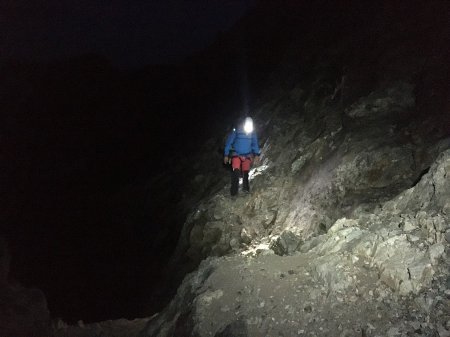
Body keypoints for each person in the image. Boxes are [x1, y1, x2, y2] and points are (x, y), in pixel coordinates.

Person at [224, 117, 261, 196]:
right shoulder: (237, 130)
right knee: (236, 172)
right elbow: (229, 142)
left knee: (245, 172)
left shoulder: (252, 132)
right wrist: (226, 154)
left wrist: (257, 154)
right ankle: (234, 193)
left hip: (247, 154)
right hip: (236, 154)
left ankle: (246, 190)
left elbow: (255, 144)